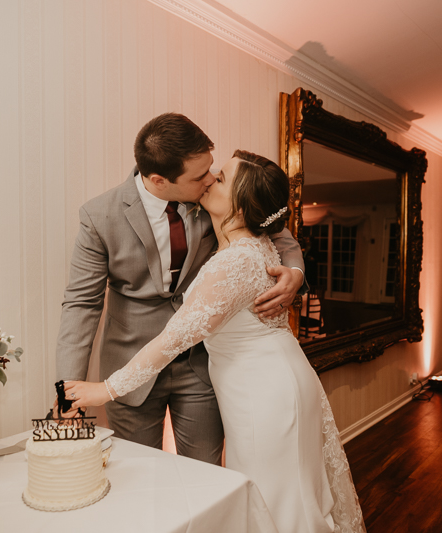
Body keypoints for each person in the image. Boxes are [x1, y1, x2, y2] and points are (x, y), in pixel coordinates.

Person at [64, 150, 365, 533]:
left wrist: (103, 391)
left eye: (220, 178)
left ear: (240, 207)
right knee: (291, 493)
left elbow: (173, 338)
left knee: (272, 501)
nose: (209, 180)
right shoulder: (249, 242)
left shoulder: (236, 259)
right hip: (274, 380)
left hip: (263, 394)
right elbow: (81, 303)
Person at [55, 113, 307, 466]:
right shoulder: (100, 216)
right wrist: (67, 390)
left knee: (205, 475)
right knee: (137, 474)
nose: (209, 180)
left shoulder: (218, 200)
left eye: (212, 170)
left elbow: (277, 231)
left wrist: (295, 272)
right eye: (200, 176)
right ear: (160, 181)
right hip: (128, 365)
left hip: (202, 367)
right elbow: (81, 304)